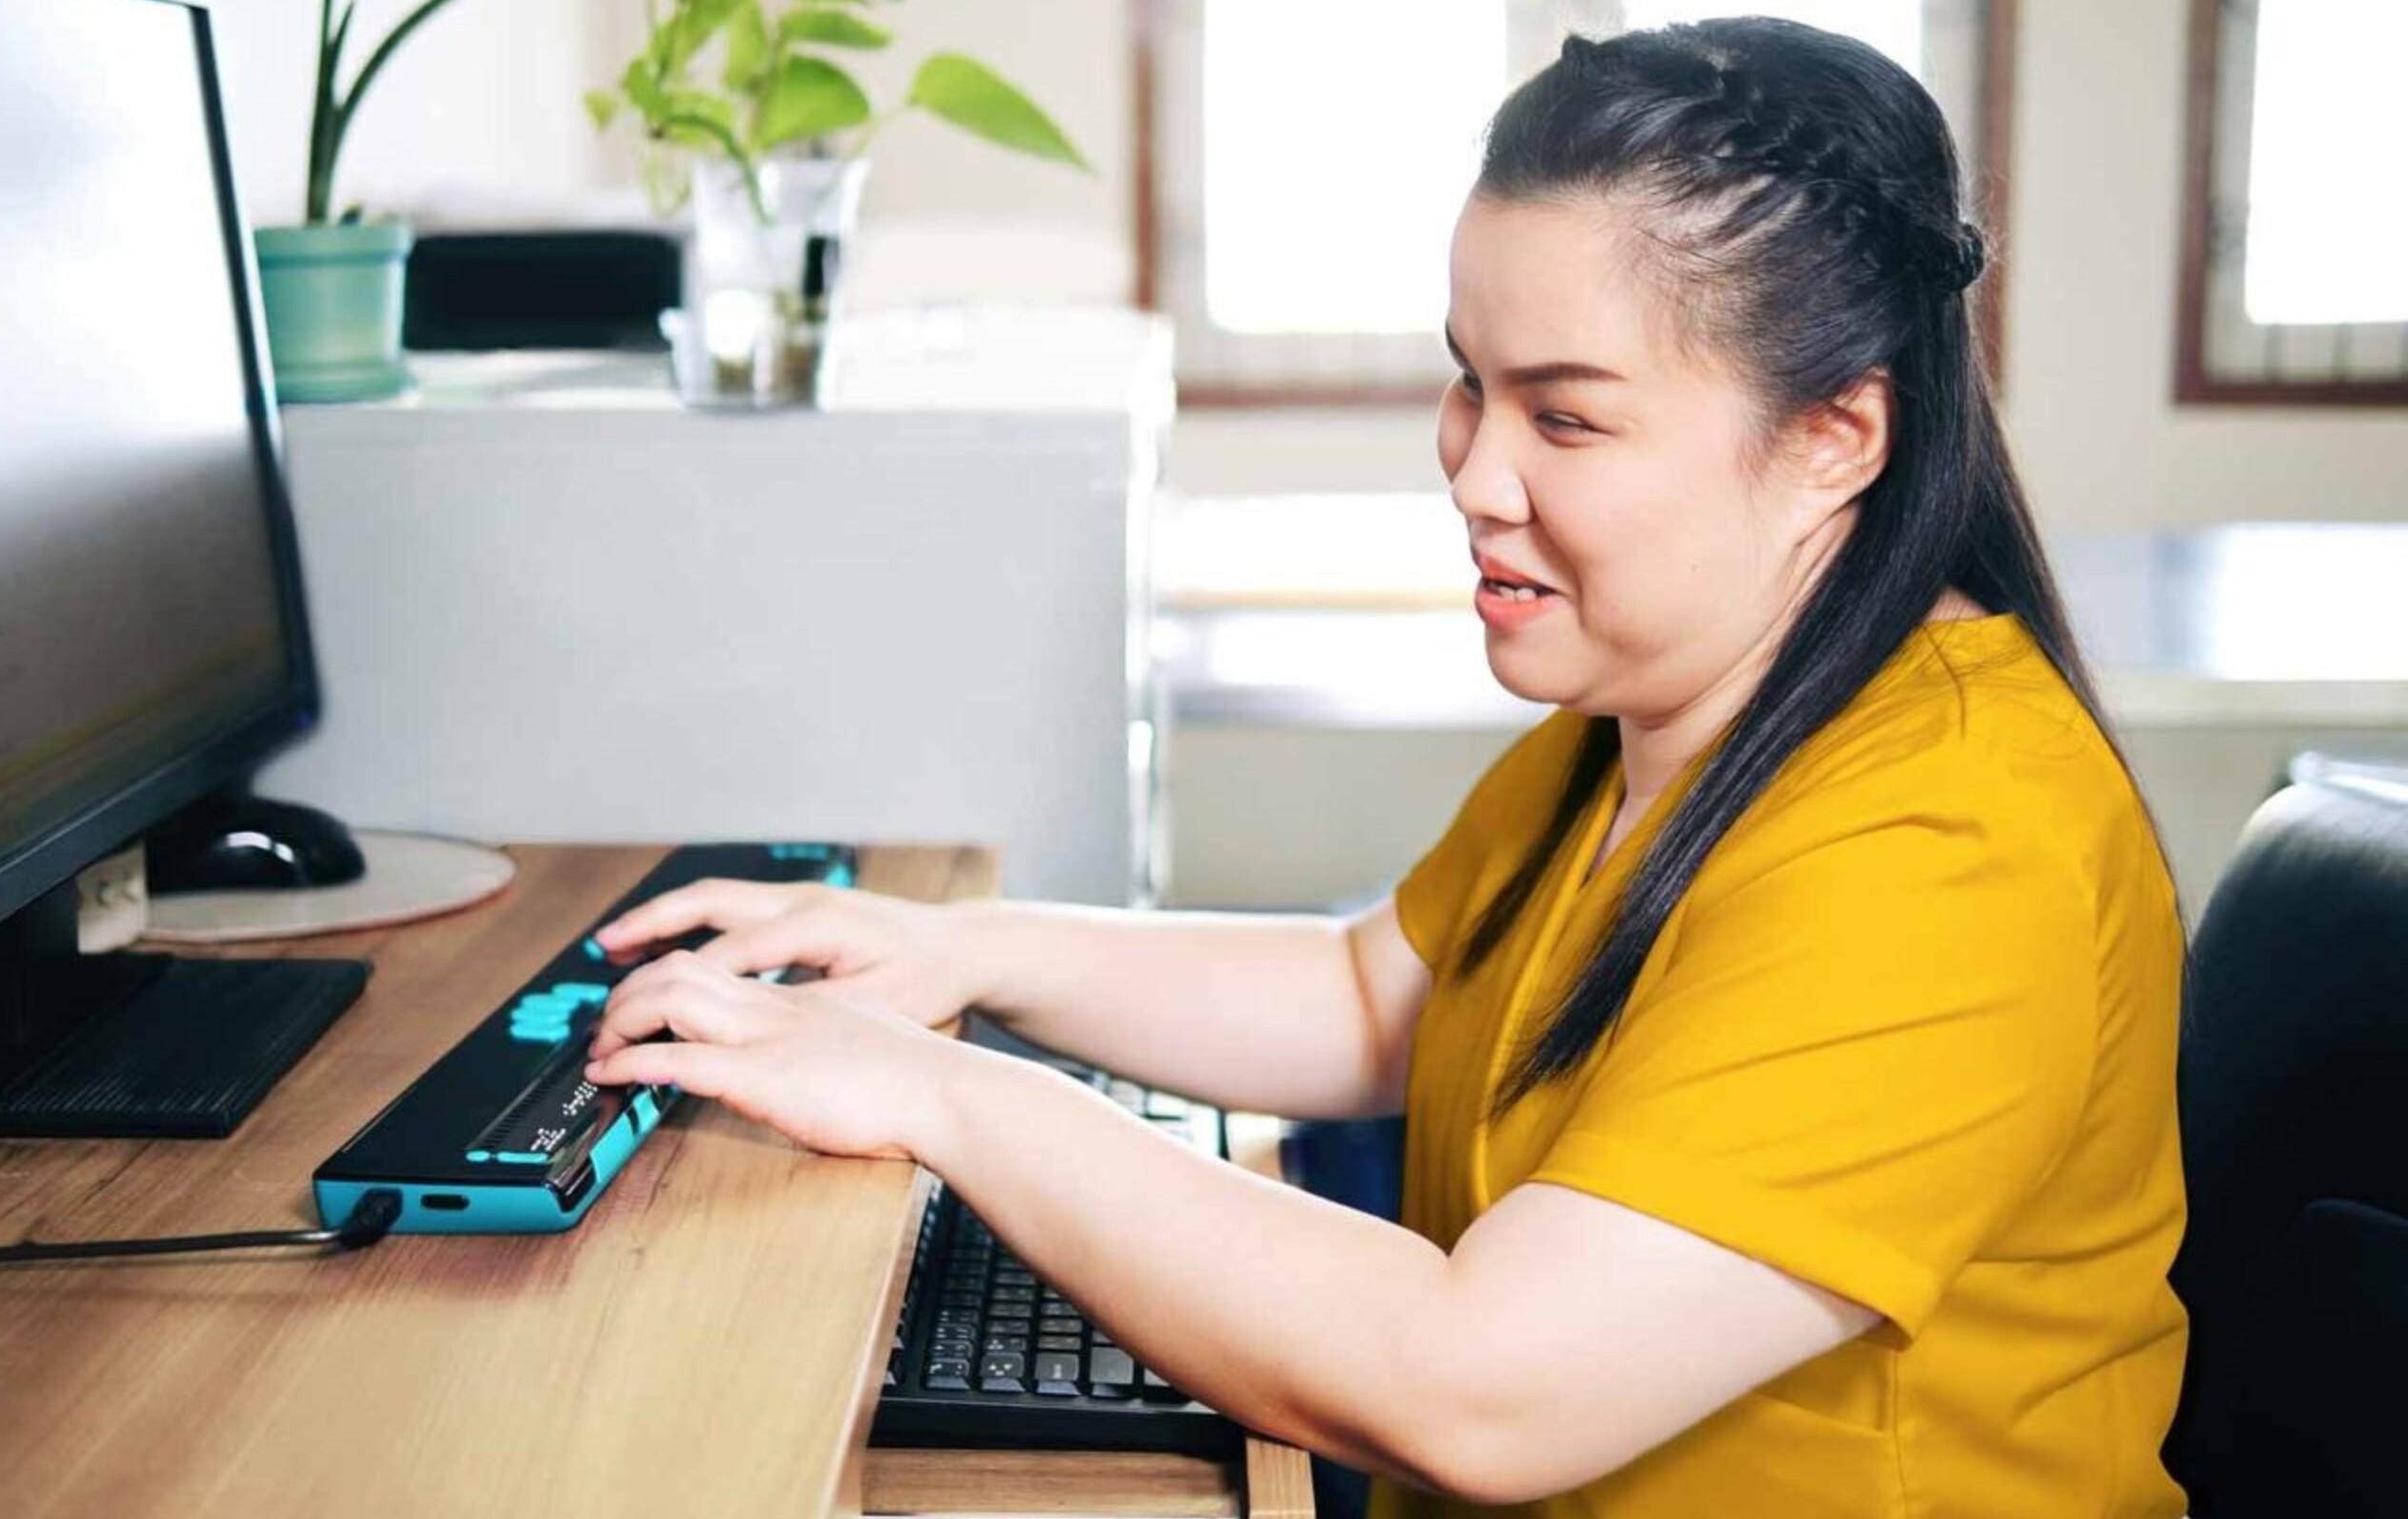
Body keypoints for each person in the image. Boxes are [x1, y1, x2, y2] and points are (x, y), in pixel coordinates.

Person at [584, 18, 2189, 1518]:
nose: (1475, 475)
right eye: (1471, 384)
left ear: (1838, 436)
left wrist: (941, 1096)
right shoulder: (1667, 712)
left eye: (1566, 423)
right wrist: (958, 956)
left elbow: (1483, 1390)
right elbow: (1381, 996)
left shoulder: (1949, 841)